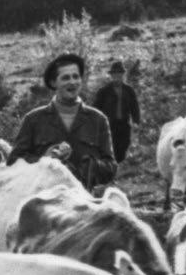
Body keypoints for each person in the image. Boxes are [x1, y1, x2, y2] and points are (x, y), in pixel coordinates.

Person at [7, 52, 117, 190]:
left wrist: (91, 166)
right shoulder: (33, 120)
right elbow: (13, 162)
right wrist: (44, 160)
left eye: (76, 77)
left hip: (85, 201)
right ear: (54, 83)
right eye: (65, 78)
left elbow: (111, 167)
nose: (72, 82)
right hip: (46, 201)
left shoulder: (98, 120)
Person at [93, 60, 141, 163]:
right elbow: (96, 109)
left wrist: (136, 121)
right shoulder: (104, 91)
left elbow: (134, 107)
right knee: (111, 148)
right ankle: (111, 170)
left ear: (123, 75)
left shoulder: (129, 91)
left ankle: (117, 168)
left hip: (124, 124)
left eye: (119, 74)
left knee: (123, 147)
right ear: (111, 76)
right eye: (114, 74)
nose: (116, 77)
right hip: (109, 125)